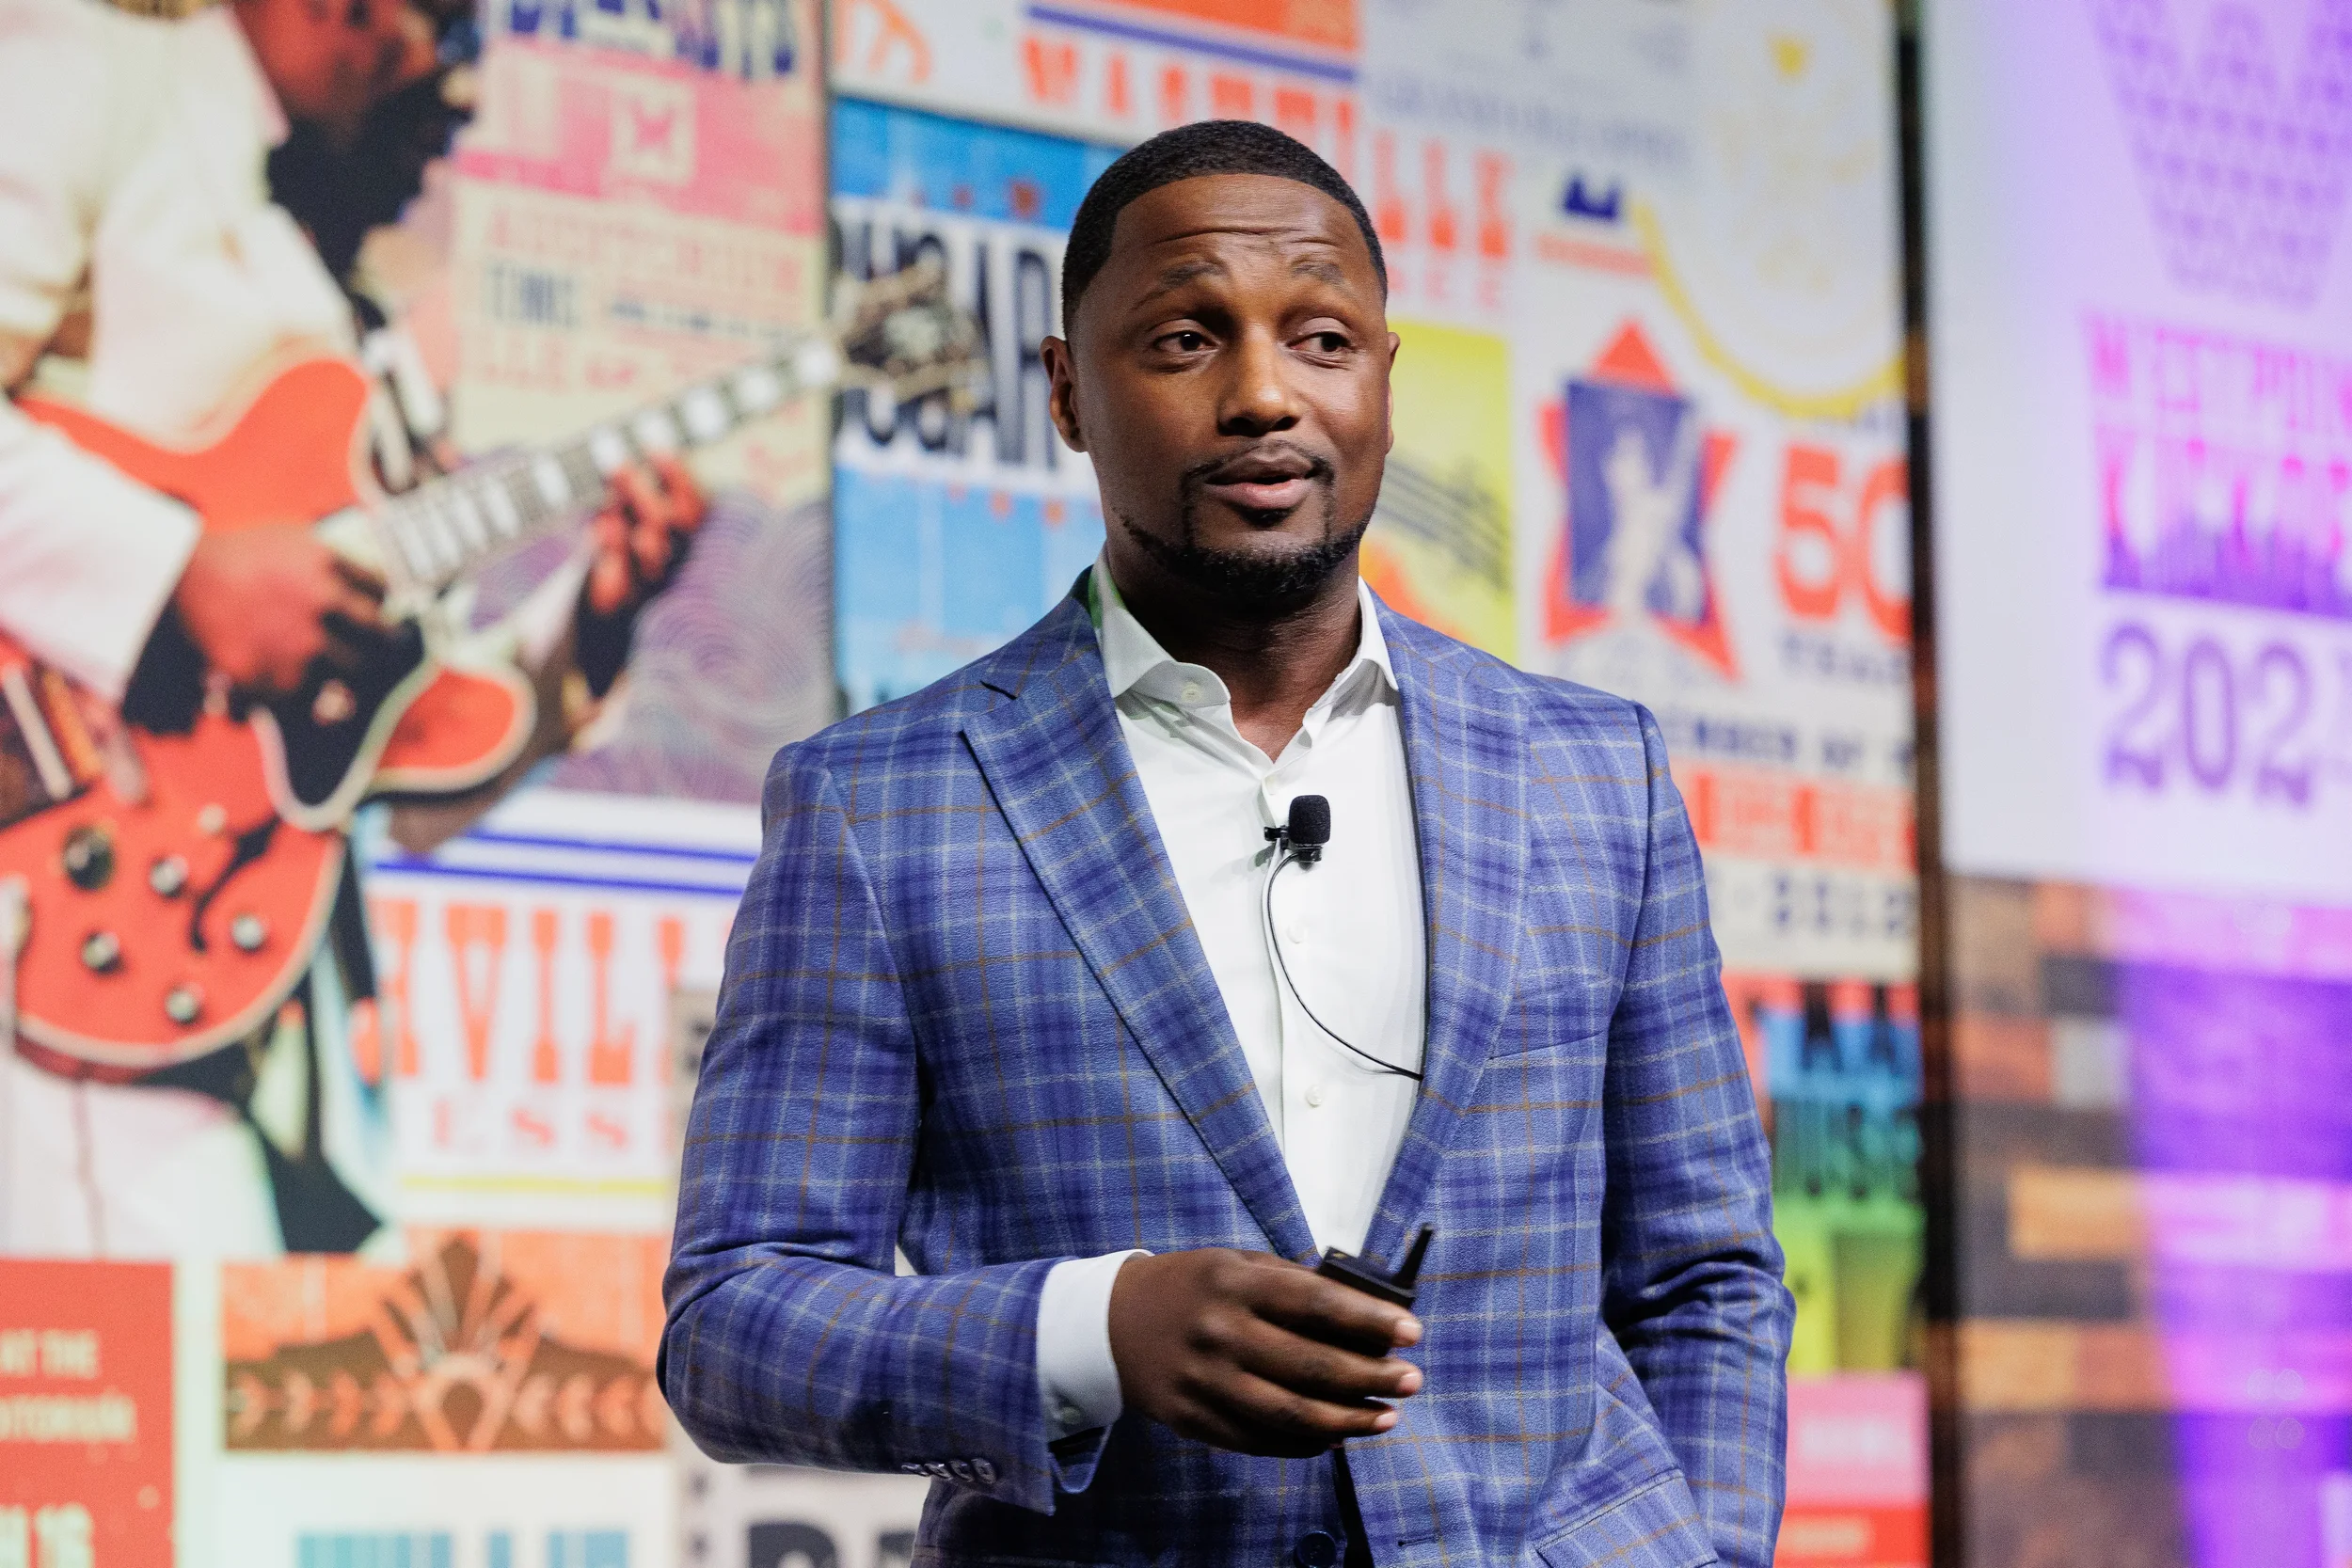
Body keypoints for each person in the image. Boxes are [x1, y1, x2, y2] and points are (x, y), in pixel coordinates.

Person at [663, 120, 1790, 1566]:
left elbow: (1706, 1274)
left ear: (1386, 379)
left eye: (1321, 336)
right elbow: (736, 1322)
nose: (1264, 394)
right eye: (1186, 340)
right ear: (1068, 393)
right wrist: (1094, 1328)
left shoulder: (1597, 773)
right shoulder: (882, 805)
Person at [0, 0, 703, 1256]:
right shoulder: (84, 75)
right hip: (62, 948)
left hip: (267, 1017)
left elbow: (404, 775)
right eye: (444, 29)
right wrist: (178, 577)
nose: (454, 83)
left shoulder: (353, 318)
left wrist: (589, 627)